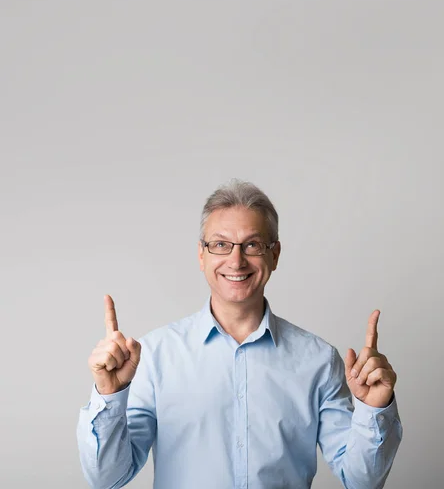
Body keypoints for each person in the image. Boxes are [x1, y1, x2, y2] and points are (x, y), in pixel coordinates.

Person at [77, 179, 402, 489]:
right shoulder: (155, 355)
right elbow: (108, 479)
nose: (236, 260)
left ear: (274, 255)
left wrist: (373, 410)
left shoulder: (317, 359)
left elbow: (362, 481)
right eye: (221, 244)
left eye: (252, 245)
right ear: (201, 255)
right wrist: (109, 397)